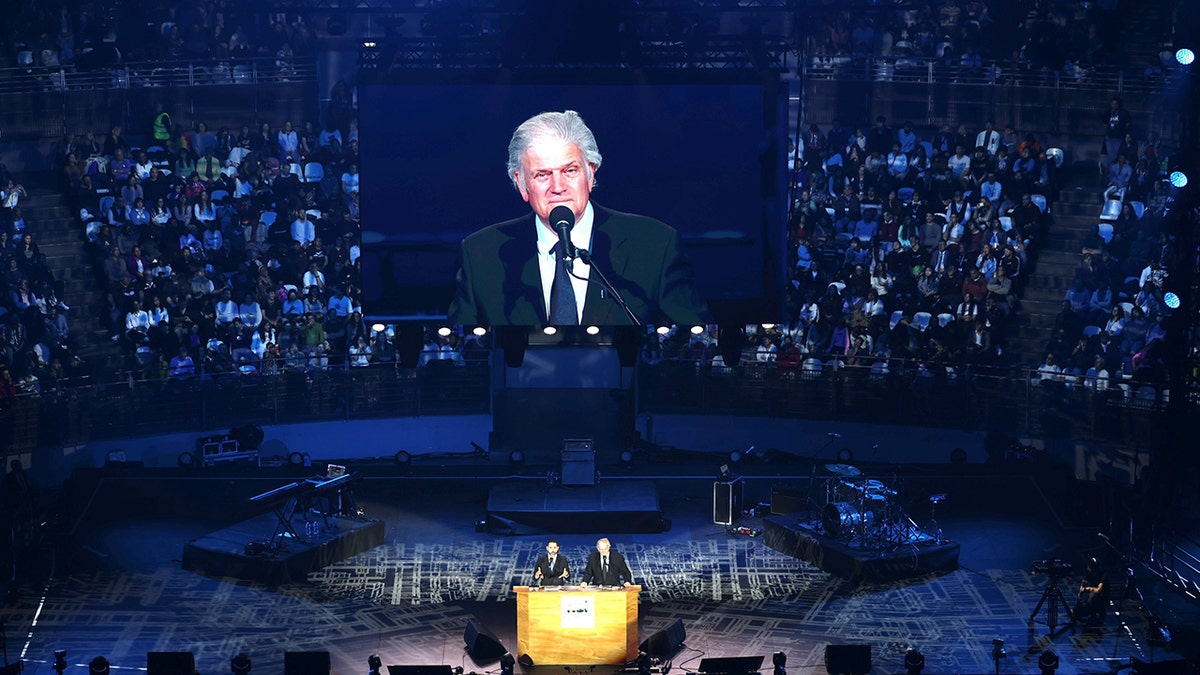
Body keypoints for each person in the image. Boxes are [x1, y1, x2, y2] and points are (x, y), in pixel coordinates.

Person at [447, 110, 709, 326]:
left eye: (570, 170)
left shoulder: (654, 244)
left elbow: (694, 344)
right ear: (521, 183)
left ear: (591, 173)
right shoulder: (482, 253)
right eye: (542, 175)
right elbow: (463, 356)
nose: (558, 186)